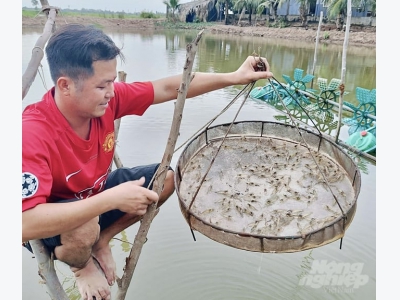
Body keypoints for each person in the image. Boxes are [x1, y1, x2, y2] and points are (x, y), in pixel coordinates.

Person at [22, 23, 273, 300]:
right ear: (65, 85)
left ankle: (101, 241)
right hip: (55, 219)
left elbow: (167, 87)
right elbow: (22, 223)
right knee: (85, 226)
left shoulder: (107, 101)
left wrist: (234, 77)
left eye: (113, 81)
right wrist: (109, 201)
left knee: (168, 178)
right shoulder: (32, 132)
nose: (112, 92)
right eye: (102, 85)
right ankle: (81, 266)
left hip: (93, 195)